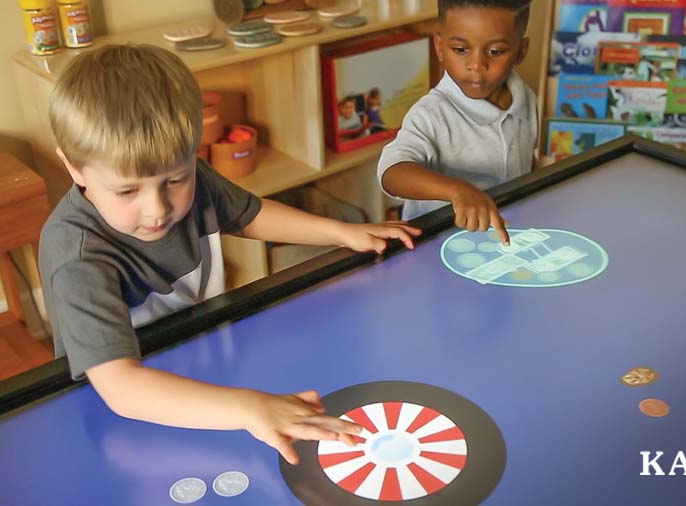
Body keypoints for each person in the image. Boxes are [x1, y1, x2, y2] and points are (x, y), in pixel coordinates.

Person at [40, 44, 420, 465]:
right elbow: (121, 388)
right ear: (73, 168)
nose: (158, 208)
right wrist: (249, 407)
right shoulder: (76, 257)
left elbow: (246, 214)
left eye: (175, 180)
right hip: (131, 415)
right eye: (128, 191)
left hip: (206, 368)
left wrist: (341, 233)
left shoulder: (186, 175)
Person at [377, 0, 539, 245]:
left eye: (495, 52)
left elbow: (527, 160)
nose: (476, 65)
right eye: (461, 50)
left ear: (521, 51)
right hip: (436, 248)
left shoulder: (526, 98)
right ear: (440, 47)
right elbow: (391, 171)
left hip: (503, 240)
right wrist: (458, 191)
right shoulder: (431, 114)